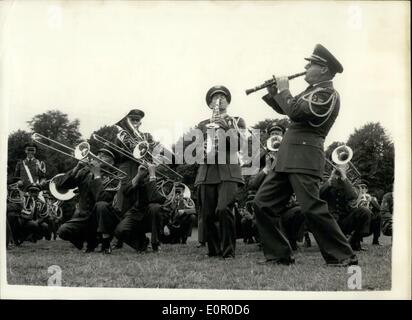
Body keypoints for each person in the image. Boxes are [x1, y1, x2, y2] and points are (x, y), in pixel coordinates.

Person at [253, 44, 357, 266]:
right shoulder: (312, 91)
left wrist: (283, 89)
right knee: (262, 204)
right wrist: (274, 92)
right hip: (287, 157)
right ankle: (279, 255)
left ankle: (343, 256)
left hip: (305, 157)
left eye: (311, 64)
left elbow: (297, 112)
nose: (306, 67)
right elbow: (287, 107)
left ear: (324, 69)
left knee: (312, 208)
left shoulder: (327, 94)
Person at [195, 85, 246, 259]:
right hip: (207, 171)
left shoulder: (237, 121)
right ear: (210, 104)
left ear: (227, 101)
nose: (219, 99)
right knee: (207, 214)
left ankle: (228, 251)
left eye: (222, 96)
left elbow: (241, 146)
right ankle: (214, 250)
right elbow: (194, 151)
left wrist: (227, 128)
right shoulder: (202, 125)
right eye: (215, 97)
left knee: (224, 209)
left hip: (228, 171)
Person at [56, 148, 117, 252]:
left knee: (101, 205)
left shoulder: (114, 178)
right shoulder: (84, 172)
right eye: (98, 154)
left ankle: (106, 244)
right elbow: (62, 186)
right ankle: (91, 242)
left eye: (104, 156)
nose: (98, 157)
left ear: (111, 162)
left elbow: (103, 198)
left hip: (103, 218)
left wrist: (97, 175)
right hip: (84, 216)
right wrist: (77, 167)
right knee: (63, 231)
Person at [114, 164, 166, 253]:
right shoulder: (143, 177)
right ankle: (142, 244)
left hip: (154, 213)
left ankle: (155, 244)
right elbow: (125, 191)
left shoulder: (164, 178)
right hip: (137, 212)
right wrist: (138, 175)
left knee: (154, 208)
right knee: (120, 231)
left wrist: (153, 175)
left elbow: (154, 197)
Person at [320, 170, 372, 251]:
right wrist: (330, 179)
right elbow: (319, 194)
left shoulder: (347, 183)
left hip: (345, 220)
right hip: (330, 220)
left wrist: (344, 178)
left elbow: (353, 196)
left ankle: (354, 241)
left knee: (365, 211)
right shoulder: (327, 181)